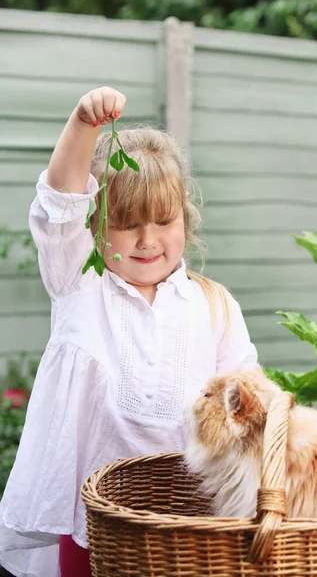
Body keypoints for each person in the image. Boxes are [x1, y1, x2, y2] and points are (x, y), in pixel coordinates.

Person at [0, 87, 258, 577]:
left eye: (163, 220)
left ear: (186, 217)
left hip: (188, 517)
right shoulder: (80, 280)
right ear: (96, 225)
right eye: (126, 223)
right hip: (89, 518)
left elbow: (245, 399)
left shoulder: (214, 304)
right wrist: (82, 123)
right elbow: (60, 202)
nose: (147, 239)